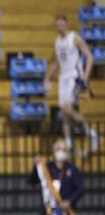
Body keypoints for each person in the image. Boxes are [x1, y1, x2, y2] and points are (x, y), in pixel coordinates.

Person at [44, 15, 98, 153]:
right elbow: (56, 62)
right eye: (58, 24)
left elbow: (90, 56)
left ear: (66, 24)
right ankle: (68, 144)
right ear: (56, 27)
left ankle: (91, 133)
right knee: (64, 113)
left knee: (67, 109)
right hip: (63, 77)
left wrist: (85, 75)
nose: (60, 27)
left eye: (62, 24)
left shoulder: (74, 38)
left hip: (74, 76)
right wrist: (48, 77)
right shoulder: (57, 41)